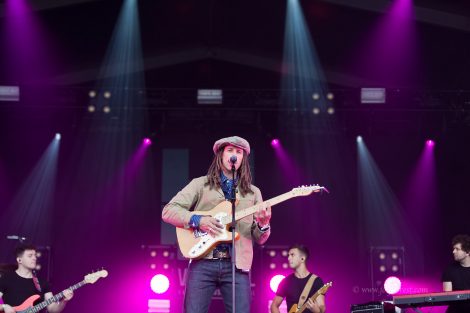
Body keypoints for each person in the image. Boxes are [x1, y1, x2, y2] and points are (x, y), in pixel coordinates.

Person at [162, 136, 272, 313]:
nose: (234, 155)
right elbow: (169, 211)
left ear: (243, 158)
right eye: (230, 150)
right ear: (221, 155)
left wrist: (263, 224)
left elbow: (259, 239)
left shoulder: (253, 193)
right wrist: (199, 220)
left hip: (237, 264)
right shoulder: (200, 184)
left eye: (238, 152)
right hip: (203, 261)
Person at [0, 244, 73, 313]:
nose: (34, 258)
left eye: (35, 255)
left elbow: (52, 310)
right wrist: (4, 306)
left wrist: (64, 301)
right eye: (30, 256)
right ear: (19, 260)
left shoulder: (42, 283)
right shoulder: (6, 278)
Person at [271, 244, 326, 313]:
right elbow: (274, 305)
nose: (288, 258)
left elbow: (322, 308)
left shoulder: (316, 281)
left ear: (302, 258)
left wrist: (315, 310)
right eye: (288, 255)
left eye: (292, 255)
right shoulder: (285, 281)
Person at [442, 234, 470, 313]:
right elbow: (447, 297)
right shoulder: (449, 270)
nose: (453, 251)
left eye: (457, 249)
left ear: (467, 252)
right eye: (453, 249)